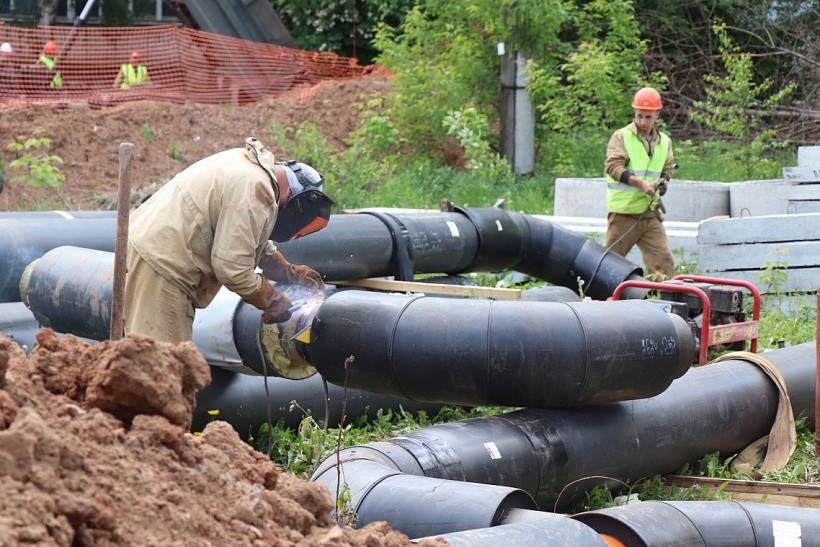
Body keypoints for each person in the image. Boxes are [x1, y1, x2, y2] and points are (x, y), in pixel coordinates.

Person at [124, 137, 333, 343]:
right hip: (164, 267)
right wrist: (273, 301)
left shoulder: (251, 171)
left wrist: (286, 271)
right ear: (291, 196)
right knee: (163, 365)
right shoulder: (255, 187)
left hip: (153, 255)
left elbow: (245, 235)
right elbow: (232, 269)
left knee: (150, 360)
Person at [603, 87, 676, 280]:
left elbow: (667, 168)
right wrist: (640, 183)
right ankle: (595, 301)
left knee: (664, 262)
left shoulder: (665, 141)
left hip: (649, 214)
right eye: (639, 116)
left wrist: (663, 181)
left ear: (657, 115)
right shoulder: (622, 136)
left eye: (648, 117)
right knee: (605, 264)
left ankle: (663, 303)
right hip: (623, 215)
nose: (643, 122)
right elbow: (613, 167)